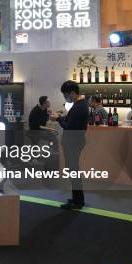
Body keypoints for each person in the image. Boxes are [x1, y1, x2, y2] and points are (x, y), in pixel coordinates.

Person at [50, 81, 88, 210]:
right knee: (73, 171)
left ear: (72, 93)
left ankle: (77, 201)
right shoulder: (80, 104)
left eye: (66, 95)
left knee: (74, 171)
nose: (65, 98)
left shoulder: (79, 106)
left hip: (73, 142)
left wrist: (58, 119)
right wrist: (62, 117)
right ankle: (77, 198)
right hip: (76, 141)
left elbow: (69, 127)